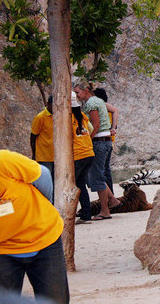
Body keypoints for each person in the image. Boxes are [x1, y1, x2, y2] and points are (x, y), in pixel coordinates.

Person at [0, 149, 69, 303]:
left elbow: (43, 176)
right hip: (0, 250)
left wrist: (43, 208)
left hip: (44, 239)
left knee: (56, 300)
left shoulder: (0, 162)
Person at [73, 81, 120, 220]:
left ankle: (105, 211)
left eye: (77, 92)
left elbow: (96, 125)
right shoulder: (98, 101)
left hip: (99, 142)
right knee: (99, 173)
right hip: (105, 142)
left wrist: (88, 139)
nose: (76, 95)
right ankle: (112, 199)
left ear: (85, 91)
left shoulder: (91, 104)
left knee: (96, 176)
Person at [72, 91, 95, 223]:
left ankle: (69, 212)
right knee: (81, 184)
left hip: (78, 155)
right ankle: (86, 214)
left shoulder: (68, 118)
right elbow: (90, 130)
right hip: (89, 153)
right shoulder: (82, 116)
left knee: (71, 185)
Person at [93, 87, 118, 194]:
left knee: (101, 170)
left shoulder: (102, 105)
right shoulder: (104, 109)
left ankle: (109, 196)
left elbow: (116, 110)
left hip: (102, 141)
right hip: (109, 141)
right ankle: (110, 194)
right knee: (105, 169)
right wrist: (113, 127)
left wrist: (113, 127)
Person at [30, 96, 54, 188]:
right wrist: (34, 153)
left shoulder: (59, 115)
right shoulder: (40, 117)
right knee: (46, 183)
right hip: (44, 156)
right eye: (52, 105)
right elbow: (33, 136)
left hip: (56, 156)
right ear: (48, 104)